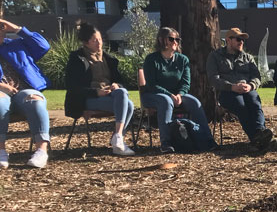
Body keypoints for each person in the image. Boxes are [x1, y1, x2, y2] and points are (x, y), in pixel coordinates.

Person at [65, 22, 135, 156]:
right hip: (88, 98)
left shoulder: (108, 59)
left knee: (126, 99)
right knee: (128, 104)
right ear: (86, 42)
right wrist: (96, 92)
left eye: (100, 39)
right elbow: (72, 87)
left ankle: (117, 137)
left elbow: (121, 82)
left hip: (110, 95)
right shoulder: (77, 59)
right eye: (94, 40)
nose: (99, 43)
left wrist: (116, 85)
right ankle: (118, 140)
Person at [141, 27, 215, 153]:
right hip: (154, 95)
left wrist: (180, 94)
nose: (175, 42)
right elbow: (151, 85)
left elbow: (186, 83)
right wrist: (170, 95)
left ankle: (207, 140)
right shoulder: (151, 59)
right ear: (161, 40)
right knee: (165, 101)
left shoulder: (182, 60)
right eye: (171, 39)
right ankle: (166, 142)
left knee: (194, 102)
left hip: (177, 95)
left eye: (177, 39)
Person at [206, 27, 274, 149]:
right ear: (228, 40)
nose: (241, 42)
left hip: (247, 89)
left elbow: (256, 76)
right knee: (240, 105)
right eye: (238, 39)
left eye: (242, 40)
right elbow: (213, 79)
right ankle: (256, 137)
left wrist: (251, 85)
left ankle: (260, 131)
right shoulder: (215, 56)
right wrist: (231, 87)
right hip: (227, 92)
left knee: (255, 102)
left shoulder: (247, 57)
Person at [0, 18, 51, 168]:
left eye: (1, 27)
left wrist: (17, 29)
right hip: (1, 93)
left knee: (35, 100)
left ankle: (41, 152)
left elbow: (43, 46)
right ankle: (1, 151)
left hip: (23, 90)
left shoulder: (16, 44)